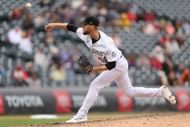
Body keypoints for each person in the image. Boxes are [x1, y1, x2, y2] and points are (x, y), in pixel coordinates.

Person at [45, 16, 176, 123]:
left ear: (93, 27)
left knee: (95, 85)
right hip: (118, 63)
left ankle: (82, 114)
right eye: (83, 24)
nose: (83, 26)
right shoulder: (84, 33)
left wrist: (93, 69)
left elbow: (111, 66)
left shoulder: (106, 44)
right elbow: (70, 27)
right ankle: (160, 92)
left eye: (86, 24)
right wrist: (54, 24)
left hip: (118, 64)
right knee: (129, 92)